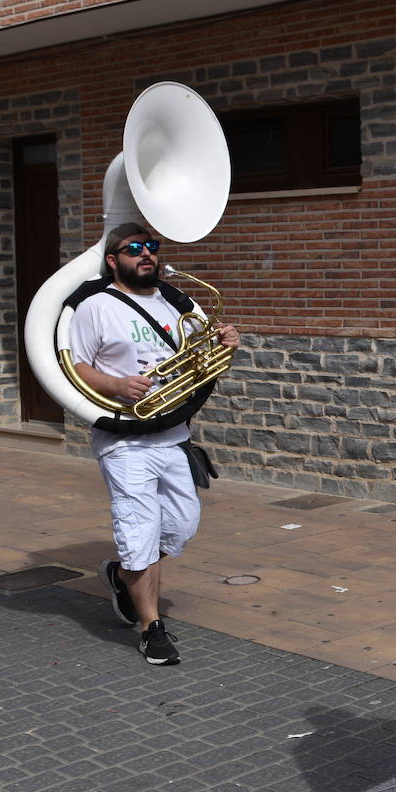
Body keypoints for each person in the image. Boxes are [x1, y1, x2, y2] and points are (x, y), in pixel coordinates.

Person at [68, 222, 239, 666]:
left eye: (152, 247)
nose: (146, 254)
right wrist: (114, 384)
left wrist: (224, 342)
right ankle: (151, 627)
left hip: (173, 435)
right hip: (126, 440)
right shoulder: (96, 306)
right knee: (139, 528)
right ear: (113, 260)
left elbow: (199, 357)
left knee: (181, 527)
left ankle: (124, 573)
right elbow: (75, 366)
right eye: (134, 249)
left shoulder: (175, 302)